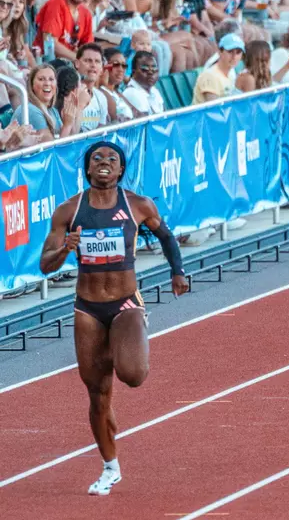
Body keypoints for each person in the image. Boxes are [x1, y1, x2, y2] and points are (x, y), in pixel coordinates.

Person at [39, 141, 188, 496]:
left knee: (133, 375)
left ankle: (131, 339)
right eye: (97, 159)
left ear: (121, 170)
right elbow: (46, 264)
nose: (104, 163)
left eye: (112, 159)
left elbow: (166, 236)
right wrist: (66, 248)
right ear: (88, 169)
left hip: (124, 303)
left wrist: (177, 272)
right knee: (97, 393)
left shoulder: (137, 205)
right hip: (87, 308)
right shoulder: (68, 212)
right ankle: (110, 467)